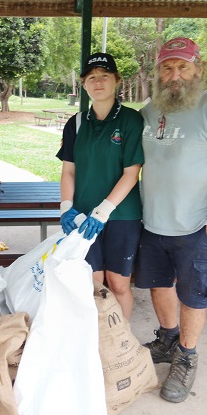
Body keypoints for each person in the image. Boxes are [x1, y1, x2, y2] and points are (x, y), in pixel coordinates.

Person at [135, 37, 207, 403]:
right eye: (167, 68)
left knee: (194, 296)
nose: (175, 75)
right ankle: (168, 339)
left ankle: (186, 355)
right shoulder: (148, 111)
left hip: (195, 227)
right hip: (152, 224)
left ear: (198, 69)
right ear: (158, 73)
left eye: (183, 67)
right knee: (158, 286)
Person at [56, 52, 144, 320]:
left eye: (105, 76)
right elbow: (68, 170)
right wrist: (66, 207)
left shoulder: (131, 120)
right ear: (83, 84)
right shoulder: (77, 122)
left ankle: (121, 343)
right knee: (92, 284)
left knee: (118, 284)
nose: (98, 82)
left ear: (116, 81)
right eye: (92, 77)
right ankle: (95, 343)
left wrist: (104, 211)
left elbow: (132, 172)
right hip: (83, 215)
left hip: (121, 216)